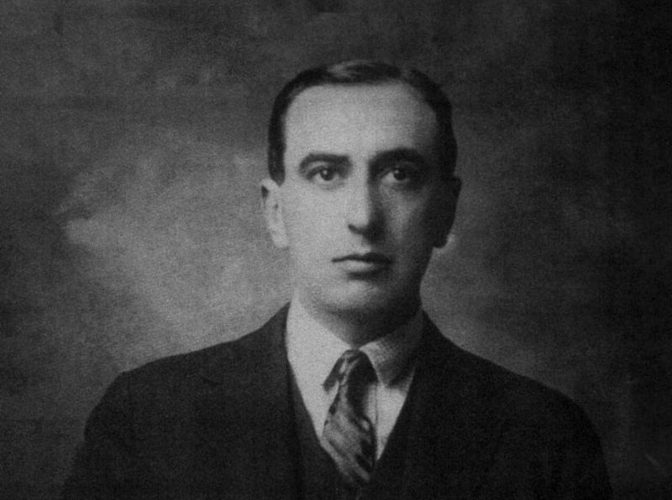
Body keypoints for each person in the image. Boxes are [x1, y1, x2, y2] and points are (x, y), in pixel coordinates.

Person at [63, 60, 612, 499]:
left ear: (445, 211)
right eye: (326, 173)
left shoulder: (545, 435)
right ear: (276, 212)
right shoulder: (146, 416)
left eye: (399, 174)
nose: (363, 217)